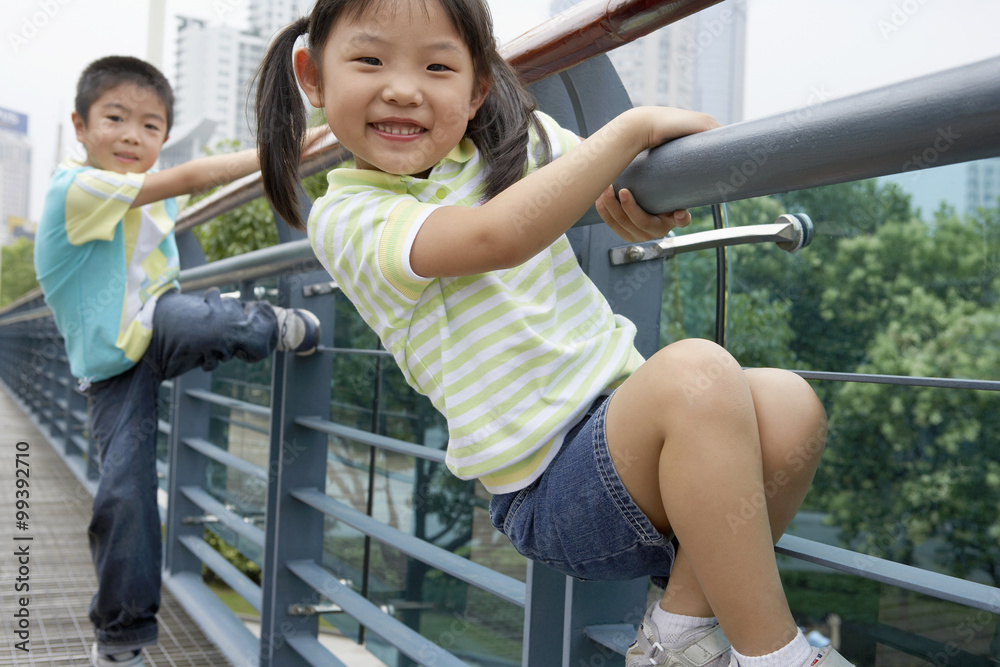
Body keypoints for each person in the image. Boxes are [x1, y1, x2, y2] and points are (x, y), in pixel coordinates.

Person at [254, 1, 852, 665]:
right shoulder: (348, 216)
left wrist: (637, 203)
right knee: (696, 371)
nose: (403, 87)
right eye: (369, 60)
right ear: (312, 75)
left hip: (625, 440)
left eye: (437, 65)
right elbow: (498, 233)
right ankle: (780, 655)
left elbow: (617, 176)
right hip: (548, 489)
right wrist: (631, 129)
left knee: (790, 401)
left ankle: (677, 636)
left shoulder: (513, 145)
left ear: (478, 85)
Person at [33, 55, 322, 667]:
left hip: (157, 326)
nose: (133, 137)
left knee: (194, 316)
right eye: (115, 118)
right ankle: (122, 639)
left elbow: (177, 191)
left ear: (162, 134)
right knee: (124, 494)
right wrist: (282, 152)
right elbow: (189, 177)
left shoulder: (134, 179)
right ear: (80, 126)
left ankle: (266, 324)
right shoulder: (76, 187)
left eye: (150, 126)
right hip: (112, 367)